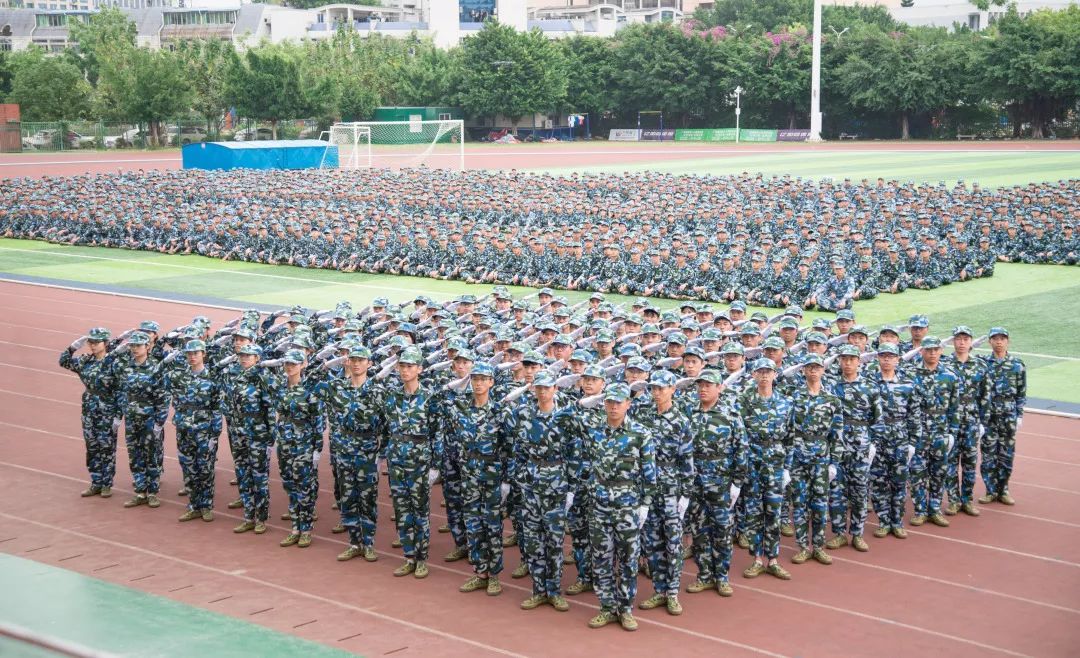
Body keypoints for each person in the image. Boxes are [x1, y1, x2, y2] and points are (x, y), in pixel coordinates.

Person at [585, 383, 656, 632]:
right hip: (600, 503)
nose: (613, 406)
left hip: (628, 504)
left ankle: (625, 609)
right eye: (609, 402)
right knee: (601, 557)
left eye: (618, 402)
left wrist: (645, 504)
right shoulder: (594, 430)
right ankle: (606, 607)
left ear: (628, 404)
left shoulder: (640, 433)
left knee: (628, 559)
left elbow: (649, 473)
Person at [507, 370, 573, 610]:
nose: (543, 392)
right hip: (531, 484)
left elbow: (574, 452)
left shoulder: (565, 416)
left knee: (554, 541)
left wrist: (571, 488)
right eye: (539, 387)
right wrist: (519, 477)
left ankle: (553, 591)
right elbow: (517, 449)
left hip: (556, 484)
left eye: (547, 387)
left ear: (555, 388)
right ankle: (538, 590)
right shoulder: (524, 414)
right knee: (533, 539)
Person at [636, 370, 694, 616]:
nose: (657, 392)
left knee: (672, 542)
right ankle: (659, 590)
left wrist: (685, 494)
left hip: (671, 489)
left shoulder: (681, 421)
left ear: (673, 390)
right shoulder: (643, 416)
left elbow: (687, 460)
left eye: (662, 388)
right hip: (648, 488)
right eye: (654, 388)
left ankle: (672, 592)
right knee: (652, 541)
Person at [684, 369, 747, 597]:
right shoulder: (689, 413)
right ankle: (704, 575)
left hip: (721, 481)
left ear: (719, 388)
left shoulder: (730, 415)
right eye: (700, 385)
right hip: (695, 481)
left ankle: (721, 576)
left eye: (708, 385)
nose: (703, 389)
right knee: (699, 529)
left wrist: (737, 482)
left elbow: (741, 449)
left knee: (722, 530)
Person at [380, 347, 437, 578]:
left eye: (410, 366)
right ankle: (409, 556)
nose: (405, 370)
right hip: (397, 459)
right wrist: (383, 455)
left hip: (419, 461)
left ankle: (421, 558)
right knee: (401, 509)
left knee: (420, 510)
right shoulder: (392, 396)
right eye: (402, 366)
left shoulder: (430, 397)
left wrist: (435, 466)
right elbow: (386, 428)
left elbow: (437, 433)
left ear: (419, 369)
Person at [454, 362, 509, 596]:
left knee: (492, 525)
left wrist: (506, 480)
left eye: (482, 379)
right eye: (474, 379)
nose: (478, 383)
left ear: (491, 382)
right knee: (473, 524)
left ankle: (494, 574)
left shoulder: (500, 412)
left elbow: (509, 447)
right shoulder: (461, 408)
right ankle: (480, 571)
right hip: (469, 474)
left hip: (492, 474)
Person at [326, 345, 384, 561]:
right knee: (347, 497)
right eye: (353, 360)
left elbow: (387, 424)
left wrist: (382, 453)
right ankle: (354, 542)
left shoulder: (378, 391)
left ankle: (368, 543)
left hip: (367, 450)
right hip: (344, 450)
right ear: (347, 362)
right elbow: (310, 380)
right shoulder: (337, 387)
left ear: (369, 363)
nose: (357, 363)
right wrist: (327, 363)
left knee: (367, 499)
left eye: (361, 360)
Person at [739, 358, 795, 579]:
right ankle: (757, 559)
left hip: (775, 465)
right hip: (752, 463)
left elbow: (790, 438)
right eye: (760, 371)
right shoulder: (744, 402)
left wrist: (787, 468)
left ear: (775, 374)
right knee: (753, 513)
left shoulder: (785, 403)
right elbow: (739, 436)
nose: (764, 375)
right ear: (754, 375)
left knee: (773, 512)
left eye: (768, 371)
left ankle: (773, 559)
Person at [826, 345, 884, 552]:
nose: (848, 363)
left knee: (859, 492)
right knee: (836, 492)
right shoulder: (831, 386)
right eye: (844, 359)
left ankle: (857, 533)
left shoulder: (870, 387)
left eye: (852, 359)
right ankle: (839, 533)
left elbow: (878, 420)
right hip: (837, 446)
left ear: (859, 361)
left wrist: (872, 444)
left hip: (860, 447)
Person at [788, 354, 843, 564]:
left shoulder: (832, 400)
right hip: (798, 457)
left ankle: (818, 546)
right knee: (799, 503)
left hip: (821, 458)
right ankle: (803, 546)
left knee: (820, 504)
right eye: (809, 367)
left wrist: (834, 462)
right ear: (803, 370)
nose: (813, 371)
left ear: (823, 370)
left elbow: (837, 433)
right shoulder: (793, 397)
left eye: (816, 367)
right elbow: (787, 430)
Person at [162, 339, 224, 523]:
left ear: (203, 354)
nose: (192, 356)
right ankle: (193, 506)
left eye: (196, 353)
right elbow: (156, 379)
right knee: (188, 468)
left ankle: (206, 506)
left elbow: (217, 408)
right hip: (184, 429)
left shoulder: (212, 377)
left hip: (204, 430)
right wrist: (165, 362)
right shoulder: (178, 376)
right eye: (189, 353)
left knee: (205, 469)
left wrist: (215, 435)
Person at [220, 342, 276, 534]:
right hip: (239, 431)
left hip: (257, 433)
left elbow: (270, 410)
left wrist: (270, 438)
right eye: (242, 355)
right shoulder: (234, 376)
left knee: (259, 476)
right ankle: (248, 516)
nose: (244, 358)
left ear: (257, 358)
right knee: (243, 474)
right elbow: (228, 403)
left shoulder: (263, 378)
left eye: (248, 356)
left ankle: (261, 518)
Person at [272, 349, 325, 548]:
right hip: (285, 442)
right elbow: (279, 413)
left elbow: (317, 421)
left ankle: (306, 529)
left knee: (304, 487)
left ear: (303, 365)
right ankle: (295, 527)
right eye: (287, 364)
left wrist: (317, 449)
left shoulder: (309, 390)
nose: (290, 367)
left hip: (304, 444)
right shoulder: (280, 388)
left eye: (294, 364)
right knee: (289, 485)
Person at [868, 344, 921, 539]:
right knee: (879, 482)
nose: (887, 359)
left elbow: (914, 415)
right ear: (878, 358)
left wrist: (913, 443)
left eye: (891, 356)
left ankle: (896, 522)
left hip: (900, 439)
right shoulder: (869, 383)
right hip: (877, 439)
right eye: (883, 356)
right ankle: (883, 521)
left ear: (897, 359)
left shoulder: (908, 385)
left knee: (899, 483)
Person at [60, 327, 120, 498]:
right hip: (89, 408)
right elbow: (64, 362)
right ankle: (96, 482)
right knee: (92, 446)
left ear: (106, 343)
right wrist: (72, 348)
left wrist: (118, 416)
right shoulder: (85, 360)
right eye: (90, 342)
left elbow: (121, 391)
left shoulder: (114, 363)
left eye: (96, 342)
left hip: (107, 409)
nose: (93, 345)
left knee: (106, 447)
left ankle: (106, 484)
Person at [112, 331, 168, 510]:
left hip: (149, 419)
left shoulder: (156, 368)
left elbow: (163, 397)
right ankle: (140, 491)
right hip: (131, 419)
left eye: (138, 345)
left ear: (148, 346)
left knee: (151, 455)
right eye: (132, 345)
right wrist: (119, 415)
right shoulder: (125, 367)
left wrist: (159, 422)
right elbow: (122, 393)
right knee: (134, 455)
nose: (134, 349)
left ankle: (152, 492)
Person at [910, 337, 960, 528]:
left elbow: (954, 407)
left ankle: (935, 509)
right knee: (918, 472)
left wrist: (952, 433)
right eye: (928, 350)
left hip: (940, 431)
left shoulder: (950, 376)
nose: (932, 353)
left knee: (939, 472)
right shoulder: (911, 374)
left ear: (940, 351)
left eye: (935, 350)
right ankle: (920, 511)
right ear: (922, 351)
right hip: (919, 431)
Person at [979, 327, 1026, 506]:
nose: (999, 342)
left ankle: (1003, 490)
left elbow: (1021, 393)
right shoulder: (983, 363)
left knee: (1006, 455)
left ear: (1008, 341)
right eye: (995, 338)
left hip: (1008, 415)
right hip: (989, 416)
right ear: (989, 341)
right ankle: (990, 491)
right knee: (988, 455)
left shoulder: (1017, 365)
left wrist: (1019, 415)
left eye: (1002, 338)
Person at [945, 327, 990, 516]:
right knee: (950, 463)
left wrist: (983, 422)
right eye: (958, 339)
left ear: (971, 341)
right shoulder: (945, 364)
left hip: (971, 421)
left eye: (965, 339)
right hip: (951, 422)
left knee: (970, 462)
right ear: (953, 341)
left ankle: (967, 500)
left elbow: (985, 396)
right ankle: (953, 500)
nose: (962, 342)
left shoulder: (980, 366)